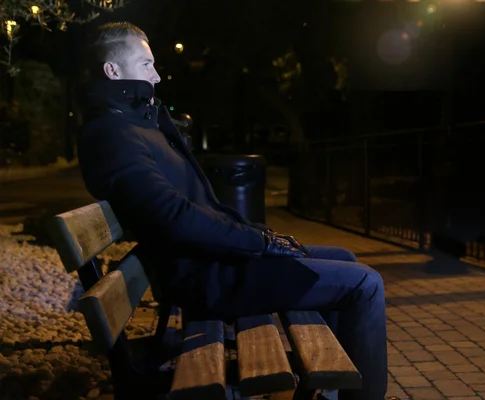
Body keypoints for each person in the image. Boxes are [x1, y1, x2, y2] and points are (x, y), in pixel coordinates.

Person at [76, 21, 389, 400]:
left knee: (345, 257)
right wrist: (258, 241)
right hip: (206, 279)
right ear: (113, 71)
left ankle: (334, 390)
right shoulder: (112, 134)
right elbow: (173, 214)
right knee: (365, 284)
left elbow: (192, 205)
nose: (156, 76)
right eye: (146, 64)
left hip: (213, 263)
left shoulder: (133, 125)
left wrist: (257, 237)